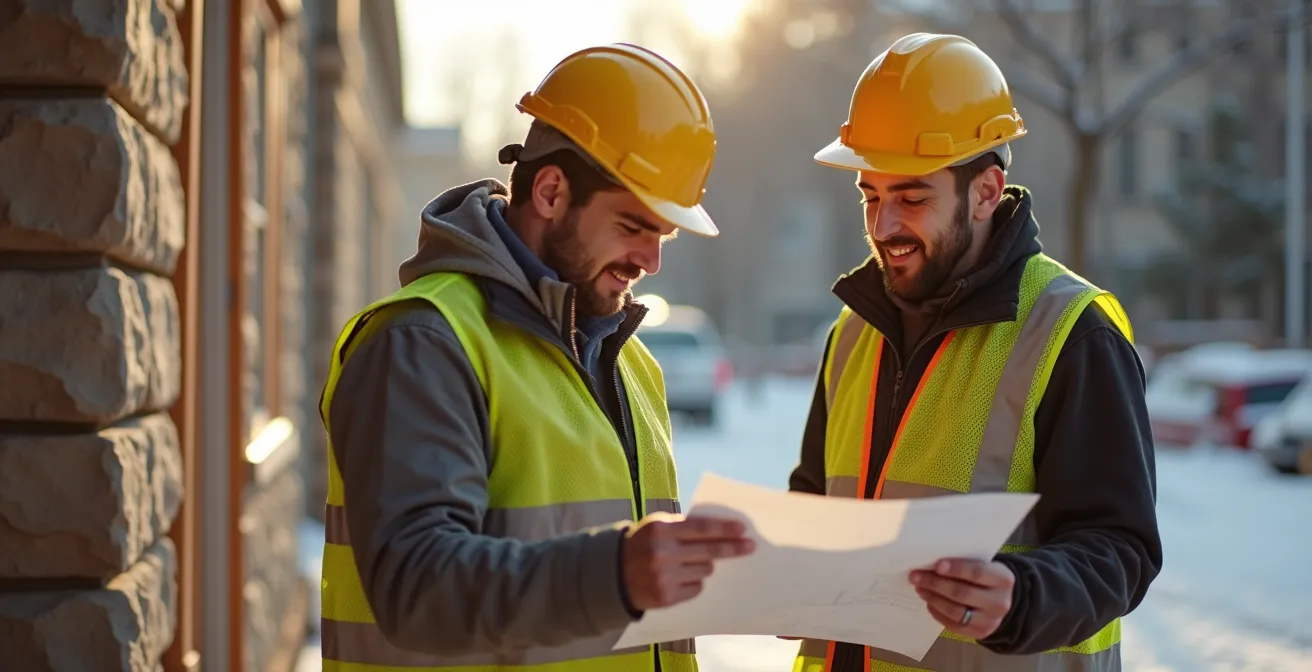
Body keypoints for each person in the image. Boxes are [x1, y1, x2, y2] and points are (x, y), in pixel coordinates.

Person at [317, 43, 754, 672]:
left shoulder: (633, 366)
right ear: (550, 192)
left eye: (663, 236)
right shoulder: (421, 343)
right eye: (634, 227)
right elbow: (417, 588)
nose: (651, 262)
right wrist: (615, 576)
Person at [787, 33, 1162, 671]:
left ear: (986, 192)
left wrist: (1021, 598)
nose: (883, 227)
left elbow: (1120, 547)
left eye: (911, 198)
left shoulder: (1071, 331)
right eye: (870, 197)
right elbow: (816, 499)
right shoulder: (852, 333)